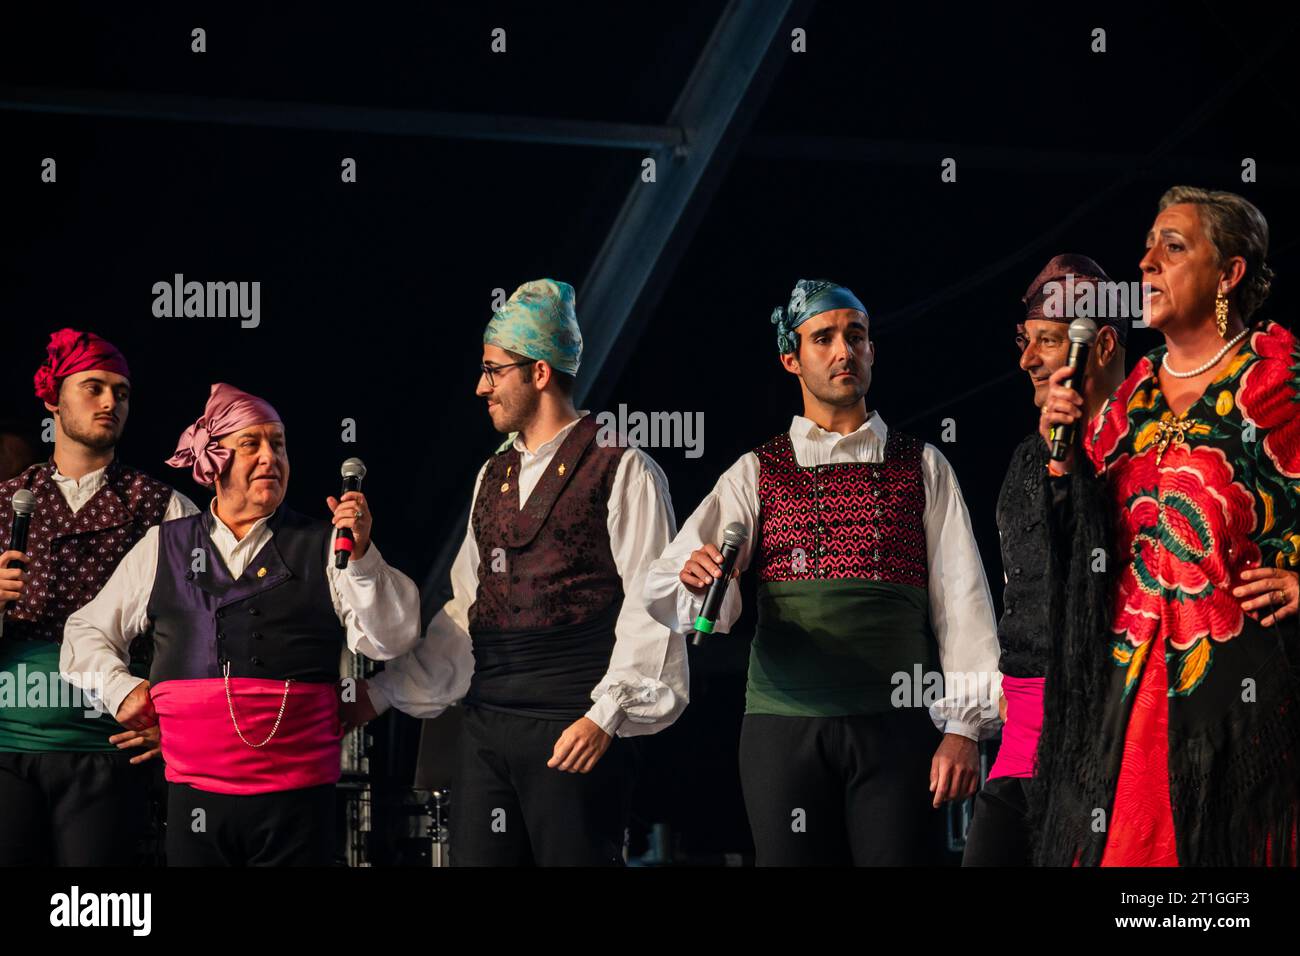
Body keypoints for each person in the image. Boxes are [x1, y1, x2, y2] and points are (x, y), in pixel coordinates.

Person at [644, 279, 1001, 865]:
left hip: (896, 729)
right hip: (784, 730)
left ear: (872, 351)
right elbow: (677, 584)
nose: (844, 351)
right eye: (824, 338)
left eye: (856, 337)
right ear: (792, 358)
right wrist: (699, 577)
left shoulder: (923, 465)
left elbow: (962, 602)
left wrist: (964, 728)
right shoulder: (756, 470)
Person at [351, 279, 687, 866]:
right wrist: (380, 693)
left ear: (538, 372)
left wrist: (605, 716)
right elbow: (467, 608)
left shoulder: (622, 468)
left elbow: (652, 606)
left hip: (571, 721)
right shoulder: (492, 475)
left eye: (493, 370)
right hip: (488, 725)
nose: (481, 386)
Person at [1037, 186, 1300, 866]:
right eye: (1148, 247)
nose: (1147, 262)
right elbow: (1086, 544)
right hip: (1126, 698)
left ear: (1230, 273)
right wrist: (1064, 467)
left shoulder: (1278, 374)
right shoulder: (1137, 391)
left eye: (1173, 247)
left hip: (1239, 697)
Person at [60, 383, 421, 865]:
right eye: (251, 444)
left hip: (298, 805)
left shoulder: (325, 546)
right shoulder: (163, 546)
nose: (270, 457)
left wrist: (361, 558)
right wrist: (120, 690)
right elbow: (84, 633)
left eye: (279, 444)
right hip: (195, 804)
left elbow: (390, 640)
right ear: (213, 460)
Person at [0, 328, 198, 866]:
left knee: (96, 908)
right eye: (93, 387)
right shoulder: (5, 504)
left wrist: (179, 722)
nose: (110, 401)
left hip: (105, 751)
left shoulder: (163, 509)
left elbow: (208, 627)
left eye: (122, 392)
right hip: (9, 746)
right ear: (51, 400)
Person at [960, 255, 1126, 866]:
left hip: (1104, 723)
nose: (1027, 360)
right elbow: (1017, 589)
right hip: (1023, 725)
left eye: (1047, 342)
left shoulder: (1141, 447)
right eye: (1025, 343)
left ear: (1100, 344)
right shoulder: (1027, 459)